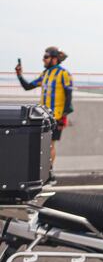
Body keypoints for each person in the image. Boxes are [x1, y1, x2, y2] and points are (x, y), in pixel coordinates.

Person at [15, 46, 73, 185]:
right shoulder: (45, 74)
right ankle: (44, 173)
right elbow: (28, 87)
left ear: (54, 59)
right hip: (44, 115)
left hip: (57, 115)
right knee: (42, 145)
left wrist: (63, 114)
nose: (43, 59)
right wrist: (19, 75)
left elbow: (68, 95)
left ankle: (49, 174)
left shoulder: (63, 73)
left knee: (50, 145)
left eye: (46, 57)